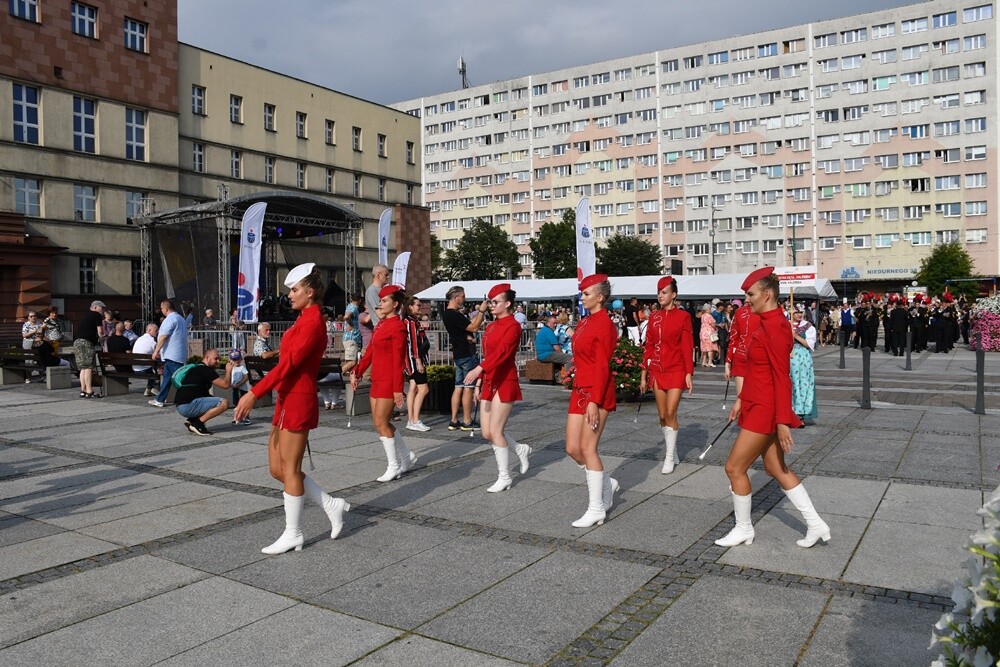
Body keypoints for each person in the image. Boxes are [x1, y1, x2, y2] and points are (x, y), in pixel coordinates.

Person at [234, 263, 350, 554]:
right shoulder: (302, 320)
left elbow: (289, 365)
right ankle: (330, 504)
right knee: (278, 469)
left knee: (290, 469)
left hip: (299, 398)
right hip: (288, 398)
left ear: (309, 293)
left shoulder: (312, 322)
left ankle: (293, 533)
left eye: (294, 289)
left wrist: (253, 394)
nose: (290, 294)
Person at [716, 267, 829, 549]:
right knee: (775, 467)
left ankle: (743, 528)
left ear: (767, 294)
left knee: (734, 467)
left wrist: (781, 422)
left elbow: (782, 377)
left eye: (751, 294)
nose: (747, 300)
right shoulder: (763, 321)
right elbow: (756, 368)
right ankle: (816, 524)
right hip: (756, 403)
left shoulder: (777, 326)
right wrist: (741, 399)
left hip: (766, 408)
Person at [463, 283, 532, 493]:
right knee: (486, 433)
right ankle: (520, 448)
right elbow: (488, 355)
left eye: (495, 302)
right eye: (490, 302)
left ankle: (504, 477)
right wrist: (479, 381)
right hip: (489, 380)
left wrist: (478, 370)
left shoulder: (513, 326)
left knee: (496, 431)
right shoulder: (491, 326)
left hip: (505, 380)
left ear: (508, 304)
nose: (491, 305)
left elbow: (502, 353)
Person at [565, 274, 620, 528]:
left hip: (596, 392)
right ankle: (605, 482)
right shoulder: (586, 322)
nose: (582, 297)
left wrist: (593, 401)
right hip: (580, 389)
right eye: (582, 293)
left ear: (600, 297)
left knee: (588, 448)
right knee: (572, 449)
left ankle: (596, 507)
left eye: (586, 294)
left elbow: (602, 366)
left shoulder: (605, 325)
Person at [351, 284, 418, 482]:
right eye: (380, 300)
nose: (380, 304)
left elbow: (399, 360)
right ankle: (406, 456)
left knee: (381, 423)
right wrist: (358, 371)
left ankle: (394, 465)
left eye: (384, 301)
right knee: (381, 422)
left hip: (389, 379)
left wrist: (398, 389)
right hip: (378, 378)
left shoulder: (398, 326)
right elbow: (370, 350)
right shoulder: (381, 324)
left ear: (395, 304)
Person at [639, 276, 694, 474]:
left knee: (671, 412)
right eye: (659, 292)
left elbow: (687, 346)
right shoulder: (654, 317)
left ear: (674, 295)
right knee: (662, 415)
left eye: (664, 292)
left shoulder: (683, 316)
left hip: (677, 369)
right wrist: (643, 375)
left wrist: (689, 372)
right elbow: (649, 346)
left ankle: (669, 456)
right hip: (658, 370)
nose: (660, 295)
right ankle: (674, 449)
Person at [442, 285, 488, 430]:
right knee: (468, 387)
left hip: (458, 352)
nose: (464, 299)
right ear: (456, 298)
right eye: (463, 296)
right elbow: (474, 327)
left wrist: (467, 335)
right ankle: (467, 421)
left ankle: (454, 419)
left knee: (458, 386)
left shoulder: (446, 314)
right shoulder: (455, 314)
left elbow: (465, 329)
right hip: (466, 353)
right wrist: (481, 311)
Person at [175, 347, 233, 435]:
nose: (218, 361)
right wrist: (228, 371)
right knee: (224, 403)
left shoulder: (196, 368)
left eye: (219, 359)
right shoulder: (206, 370)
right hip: (188, 405)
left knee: (212, 400)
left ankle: (192, 420)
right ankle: (198, 424)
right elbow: (225, 385)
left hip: (181, 404)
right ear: (207, 358)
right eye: (215, 359)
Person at [149, 299, 188, 407]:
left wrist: (156, 351)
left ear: (166, 309)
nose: (161, 310)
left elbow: (163, 337)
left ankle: (191, 397)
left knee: (180, 379)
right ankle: (160, 399)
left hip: (172, 354)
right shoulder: (180, 318)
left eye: (161, 308)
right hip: (178, 353)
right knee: (167, 378)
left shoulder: (169, 319)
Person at [403, 296, 431, 431]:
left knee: (413, 388)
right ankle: (415, 420)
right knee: (423, 389)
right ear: (410, 306)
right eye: (418, 305)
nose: (420, 307)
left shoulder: (410, 321)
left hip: (411, 359)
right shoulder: (411, 322)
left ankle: (411, 420)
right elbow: (414, 343)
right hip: (414, 360)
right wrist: (419, 361)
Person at [790, 307, 818, 421]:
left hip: (802, 358)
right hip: (788, 357)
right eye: (796, 312)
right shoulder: (786, 324)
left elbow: (809, 344)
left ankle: (800, 412)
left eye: (800, 312)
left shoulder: (808, 326)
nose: (799, 314)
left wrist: (795, 336)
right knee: (790, 383)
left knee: (802, 383)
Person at [74, 300, 106, 398]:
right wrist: (102, 339)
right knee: (88, 367)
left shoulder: (85, 315)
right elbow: (100, 331)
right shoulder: (96, 315)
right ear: (95, 307)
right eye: (102, 308)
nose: (103, 310)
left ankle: (83, 390)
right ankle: (89, 391)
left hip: (77, 342)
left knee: (82, 368)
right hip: (86, 342)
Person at [360, 264, 390, 352]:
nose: (388, 277)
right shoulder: (372, 291)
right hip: (381, 329)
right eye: (386, 275)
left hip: (386, 328)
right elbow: (380, 314)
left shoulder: (382, 290)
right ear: (378, 275)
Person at [131, 323, 160, 396]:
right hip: (144, 370)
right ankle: (155, 388)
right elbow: (159, 353)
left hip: (135, 368)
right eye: (156, 330)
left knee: (152, 366)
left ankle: (148, 389)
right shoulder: (151, 341)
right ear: (149, 330)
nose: (157, 332)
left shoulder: (139, 339)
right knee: (158, 369)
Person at [228, 349, 251, 424]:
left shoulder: (242, 368)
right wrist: (231, 385)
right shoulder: (230, 369)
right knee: (236, 403)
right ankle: (237, 417)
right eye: (234, 360)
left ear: (241, 359)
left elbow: (246, 377)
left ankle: (246, 417)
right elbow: (227, 378)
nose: (236, 361)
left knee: (244, 403)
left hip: (242, 389)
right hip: (234, 388)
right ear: (231, 360)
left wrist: (239, 384)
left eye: (238, 359)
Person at [342, 293, 363, 372]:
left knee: (350, 361)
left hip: (349, 338)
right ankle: (337, 373)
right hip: (352, 337)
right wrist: (351, 324)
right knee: (352, 362)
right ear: (360, 300)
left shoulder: (349, 306)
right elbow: (346, 316)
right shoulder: (354, 308)